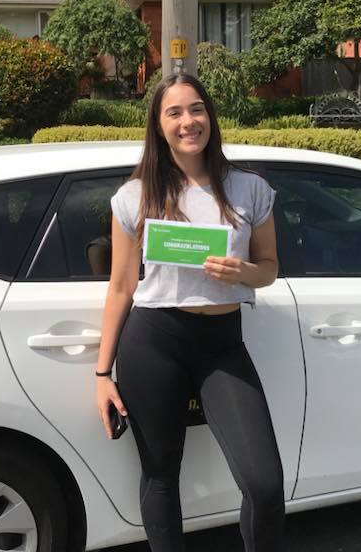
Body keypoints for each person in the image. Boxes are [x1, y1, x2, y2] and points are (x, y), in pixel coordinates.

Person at [95, 73, 285, 552]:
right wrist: (102, 373)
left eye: (196, 109)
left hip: (222, 343)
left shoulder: (249, 189)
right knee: (160, 476)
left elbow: (269, 271)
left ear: (210, 117)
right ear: (158, 126)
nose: (188, 121)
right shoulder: (134, 197)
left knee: (263, 484)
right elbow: (121, 286)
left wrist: (242, 271)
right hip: (154, 341)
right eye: (174, 112)